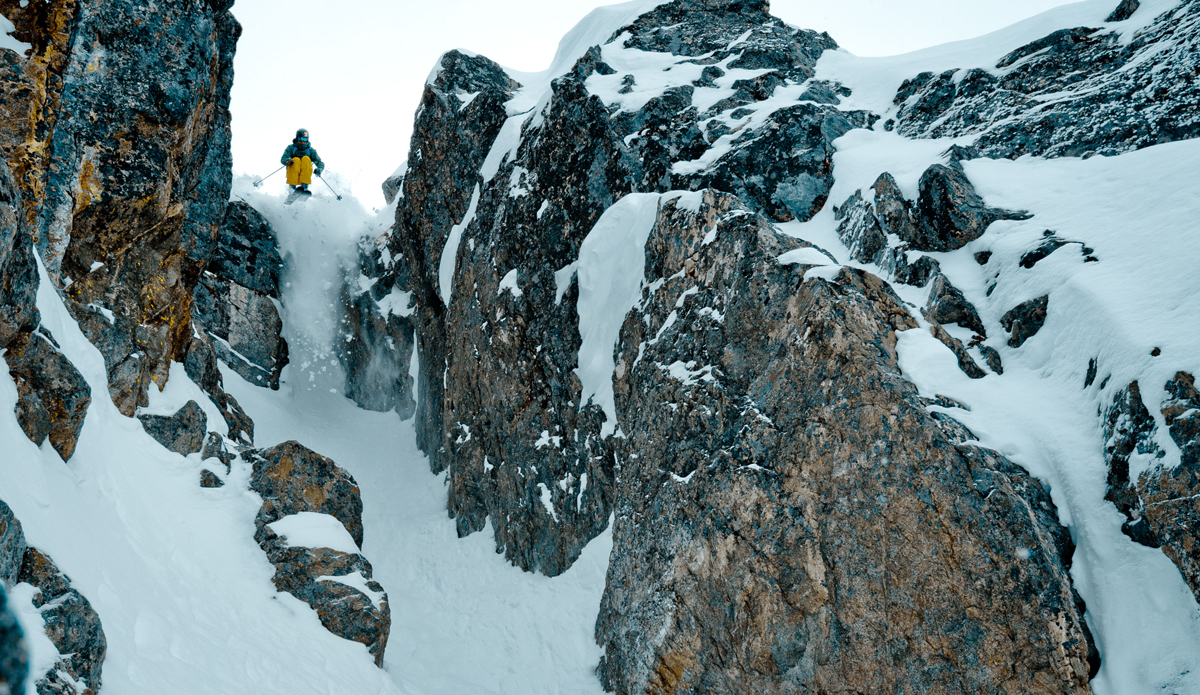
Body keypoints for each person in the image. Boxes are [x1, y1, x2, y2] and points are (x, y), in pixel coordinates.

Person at [280, 128, 324, 193]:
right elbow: (283, 158)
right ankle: (292, 189)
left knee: (306, 159)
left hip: (305, 171)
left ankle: (304, 187)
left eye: (304, 139)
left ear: (307, 139)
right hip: (294, 170)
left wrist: (319, 169)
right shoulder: (291, 148)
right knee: (296, 160)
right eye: (301, 139)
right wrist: (287, 161)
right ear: (297, 138)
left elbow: (319, 162)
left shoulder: (310, 150)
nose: (302, 141)